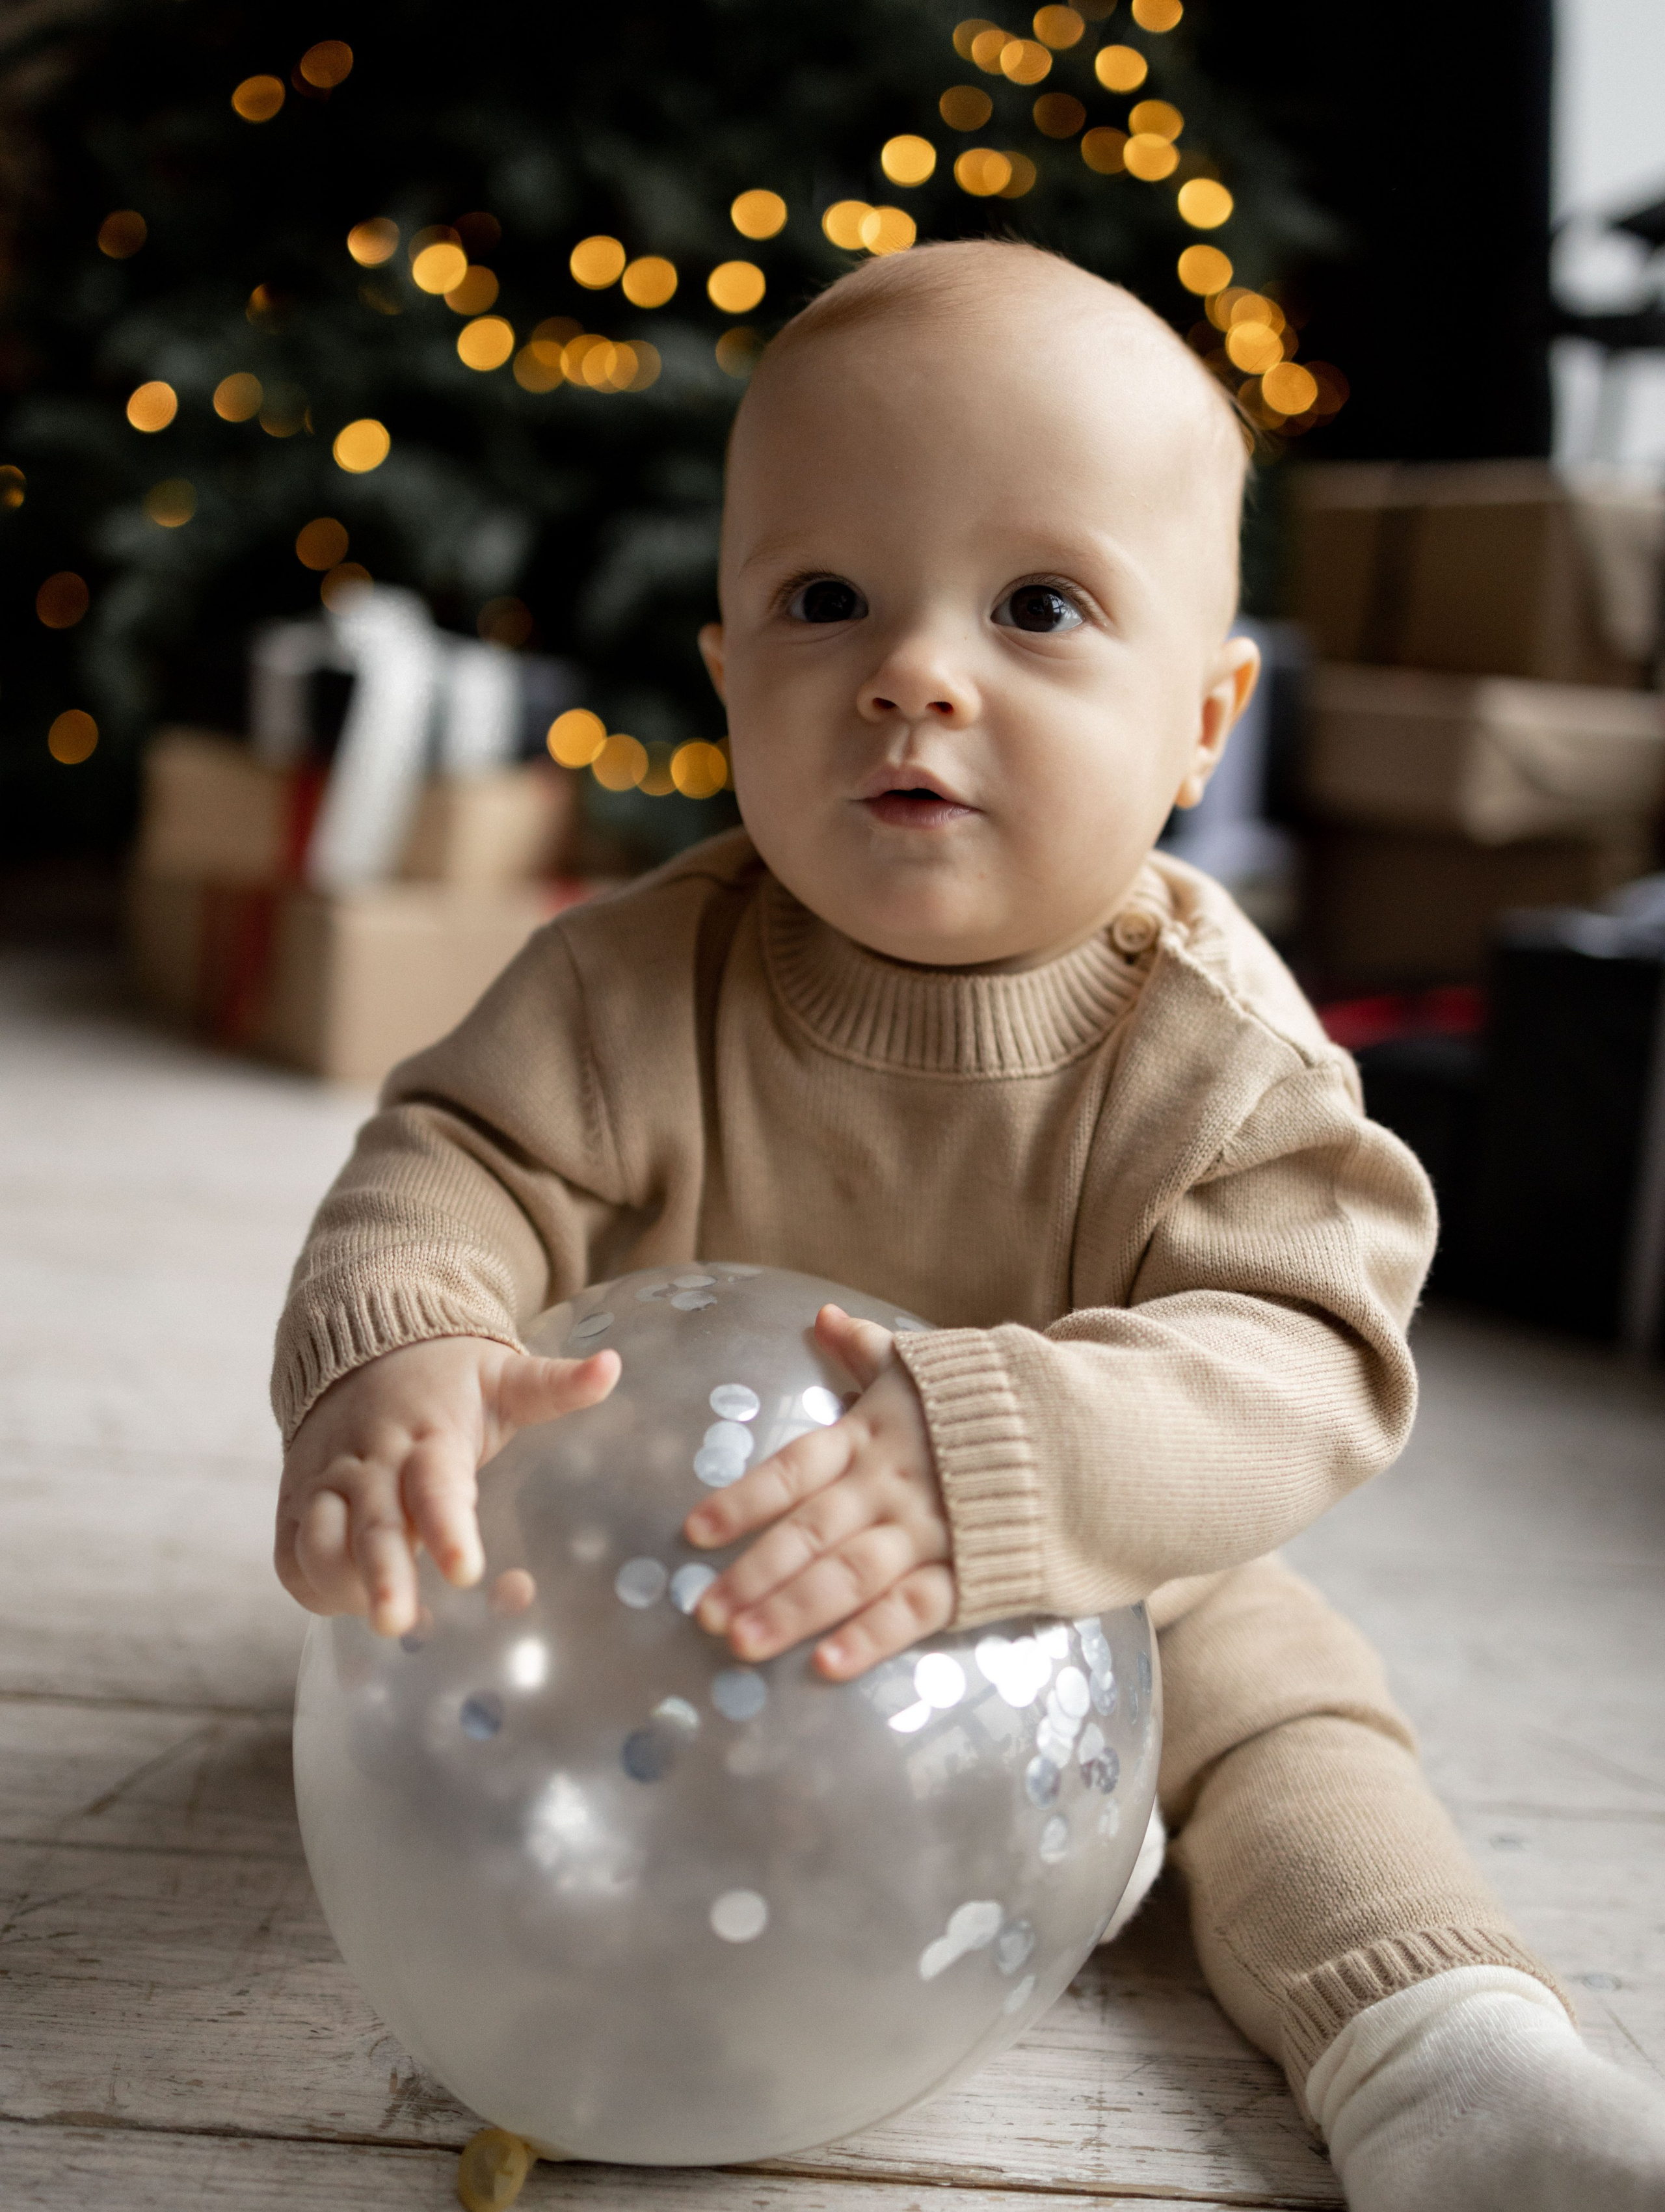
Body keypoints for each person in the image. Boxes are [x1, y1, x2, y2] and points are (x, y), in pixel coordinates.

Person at [271, 241, 1665, 2210]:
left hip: (1113, 1578)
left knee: (1288, 1720)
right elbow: (448, 1164)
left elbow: (1308, 1352)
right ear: (729, 677)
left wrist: (1013, 1454)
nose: (913, 673)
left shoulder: (1220, 1057)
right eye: (825, 600)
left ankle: (1445, 2050)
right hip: (673, 1576)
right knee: (453, 1643)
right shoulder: (625, 986)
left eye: (1039, 606)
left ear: (1205, 719)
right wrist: (405, 1341)